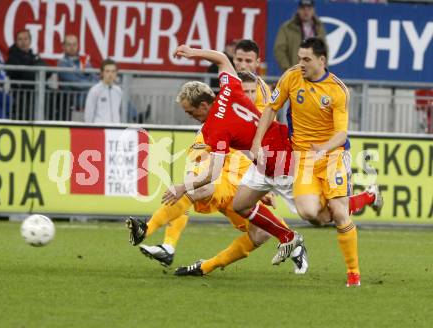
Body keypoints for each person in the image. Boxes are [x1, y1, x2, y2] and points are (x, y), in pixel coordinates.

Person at [129, 72, 307, 276]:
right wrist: (193, 174)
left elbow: (264, 155)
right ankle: (155, 235)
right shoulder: (216, 121)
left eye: (252, 91)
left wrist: (263, 187)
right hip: (222, 181)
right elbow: (200, 158)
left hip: (244, 184)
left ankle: (206, 266)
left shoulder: (261, 115)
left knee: (262, 233)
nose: (248, 95)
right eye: (245, 90)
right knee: (194, 188)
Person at [252, 37, 368, 287]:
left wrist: (323, 148)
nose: (301, 63)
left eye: (306, 59)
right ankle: (362, 198)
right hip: (303, 158)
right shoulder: (291, 77)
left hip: (333, 155)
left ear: (321, 61)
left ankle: (353, 273)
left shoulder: (337, 90)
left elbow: (341, 134)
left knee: (338, 212)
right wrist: (256, 142)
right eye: (299, 58)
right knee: (309, 213)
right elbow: (271, 108)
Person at [6, 29, 49, 120]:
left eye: (26, 39)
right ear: (16, 42)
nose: (23, 42)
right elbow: (23, 75)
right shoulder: (12, 57)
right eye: (20, 39)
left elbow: (47, 70)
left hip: (34, 93)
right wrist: (34, 69)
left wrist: (33, 69)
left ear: (30, 41)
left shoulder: (33, 56)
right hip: (20, 95)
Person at [274, 0, 326, 72]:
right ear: (298, 10)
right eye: (303, 9)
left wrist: (322, 68)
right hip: (295, 72)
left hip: (315, 73)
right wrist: (288, 70)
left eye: (309, 9)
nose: (306, 12)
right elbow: (279, 50)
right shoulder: (287, 27)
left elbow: (324, 49)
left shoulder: (319, 27)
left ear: (313, 10)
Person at [56, 34, 98, 120]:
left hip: (88, 95)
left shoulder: (83, 59)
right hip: (73, 99)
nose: (72, 47)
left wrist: (94, 84)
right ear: (63, 47)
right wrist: (95, 86)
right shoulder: (62, 63)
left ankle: (133, 119)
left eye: (74, 44)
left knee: (115, 92)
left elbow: (94, 76)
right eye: (69, 44)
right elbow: (76, 83)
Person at [233, 39, 271, 112]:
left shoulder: (263, 90)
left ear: (257, 62)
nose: (243, 66)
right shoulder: (227, 81)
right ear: (234, 59)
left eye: (248, 61)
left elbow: (264, 121)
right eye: (239, 60)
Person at [84, 58, 121, 123]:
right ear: (102, 73)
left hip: (116, 129)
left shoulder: (118, 91)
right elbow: (88, 114)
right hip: (100, 130)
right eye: (107, 71)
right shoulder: (95, 90)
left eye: (113, 71)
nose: (110, 74)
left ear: (116, 73)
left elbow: (118, 112)